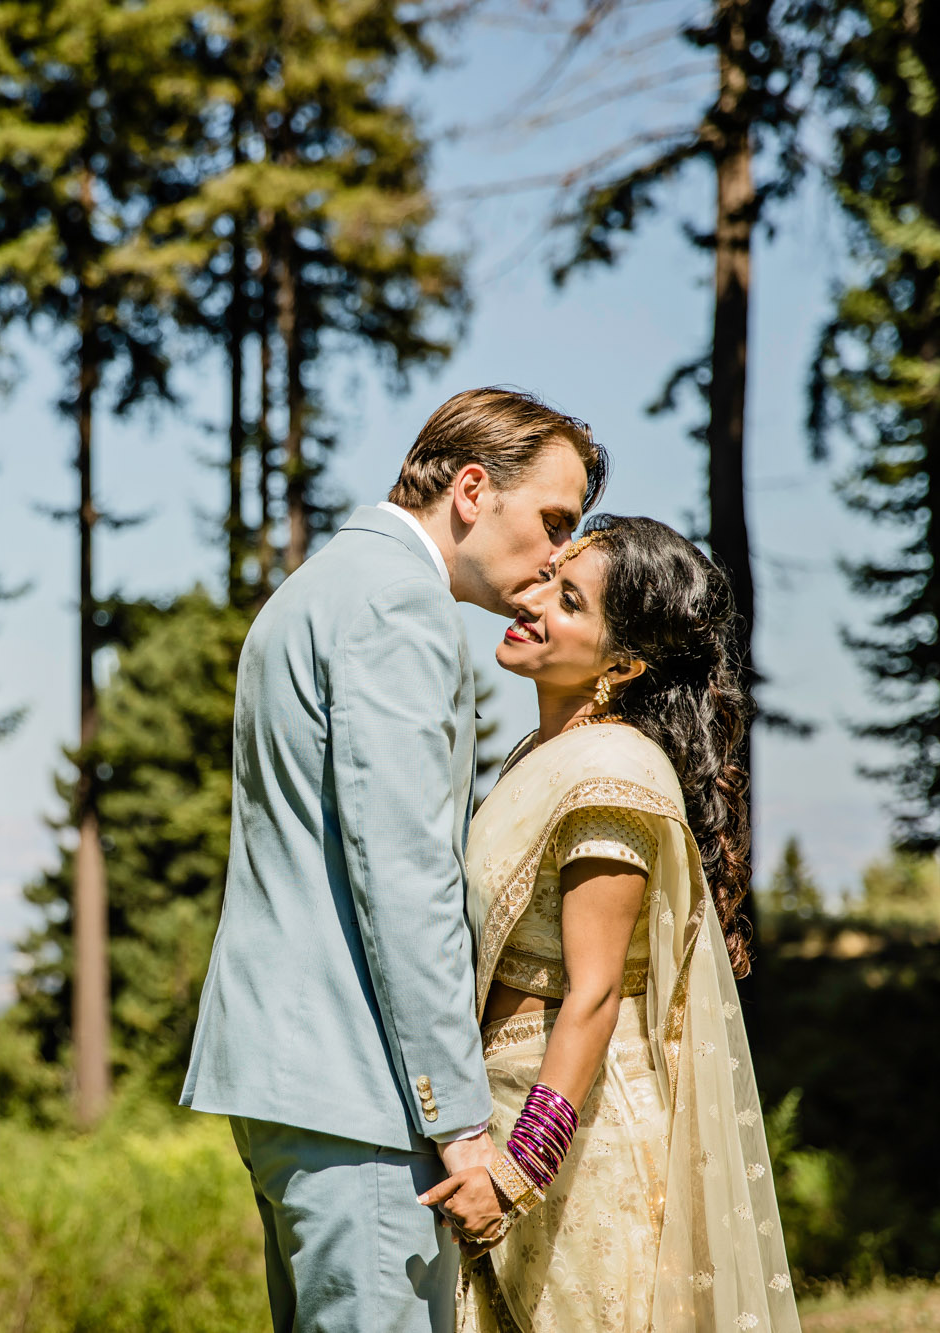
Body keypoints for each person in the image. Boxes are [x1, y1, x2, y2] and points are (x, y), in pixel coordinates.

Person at [181, 387, 605, 1332]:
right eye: (551, 522)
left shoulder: (318, 587)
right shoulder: (399, 610)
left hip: (292, 1080)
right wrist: (459, 1121)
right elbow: (403, 877)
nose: (558, 556)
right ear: (469, 488)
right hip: (362, 1095)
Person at [420, 515, 800, 1333]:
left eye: (567, 600)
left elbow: (592, 996)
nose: (530, 603)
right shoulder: (543, 752)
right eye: (545, 580)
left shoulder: (609, 772)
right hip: (502, 1102)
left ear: (621, 663)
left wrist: (520, 1169)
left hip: (575, 1147)